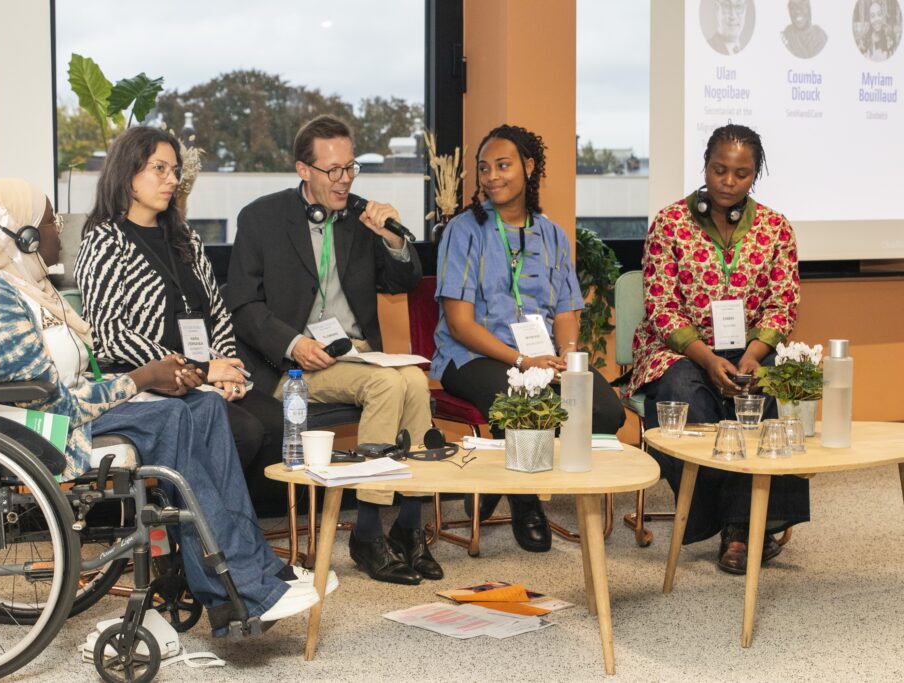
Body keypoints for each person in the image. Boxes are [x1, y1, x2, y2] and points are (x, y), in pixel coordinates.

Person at [0, 178, 332, 634]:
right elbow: (54, 402)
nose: (61, 230)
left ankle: (258, 569)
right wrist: (142, 378)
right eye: (50, 222)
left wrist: (157, 377)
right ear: (24, 237)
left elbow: (68, 381)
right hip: (37, 432)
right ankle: (236, 591)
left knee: (204, 405)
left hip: (52, 416)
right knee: (172, 415)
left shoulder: (22, 287)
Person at [226, 114, 440, 585]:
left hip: (354, 352)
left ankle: (408, 525)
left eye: (351, 168)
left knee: (412, 379)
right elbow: (242, 304)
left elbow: (402, 281)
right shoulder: (261, 218)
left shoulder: (361, 217)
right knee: (389, 381)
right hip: (292, 363)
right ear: (304, 170)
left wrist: (392, 238)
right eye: (334, 170)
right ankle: (367, 531)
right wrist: (294, 343)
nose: (344, 180)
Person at [431, 124, 626, 553]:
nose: (491, 177)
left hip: (542, 358)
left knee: (605, 411)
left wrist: (568, 357)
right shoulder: (463, 232)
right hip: (472, 357)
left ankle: (496, 478)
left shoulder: (551, 234)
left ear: (529, 167)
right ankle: (526, 504)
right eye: (484, 169)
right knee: (516, 405)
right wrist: (522, 362)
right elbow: (461, 324)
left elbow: (567, 309)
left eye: (503, 165)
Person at [626, 124, 808, 575]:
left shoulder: (775, 228)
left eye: (741, 173)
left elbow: (783, 303)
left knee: (759, 395)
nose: (728, 181)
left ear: (755, 175)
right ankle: (732, 518)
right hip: (679, 349)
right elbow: (661, 306)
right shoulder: (669, 223)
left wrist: (753, 355)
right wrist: (707, 358)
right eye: (719, 169)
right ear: (705, 166)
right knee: (685, 393)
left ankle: (741, 527)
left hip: (752, 349)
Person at [74, 126, 286, 512]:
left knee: (276, 422)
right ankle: (183, 541)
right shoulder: (105, 239)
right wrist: (203, 369)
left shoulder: (183, 235)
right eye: (160, 168)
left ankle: (234, 531)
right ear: (128, 172)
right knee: (244, 432)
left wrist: (228, 370)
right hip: (147, 382)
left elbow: (218, 311)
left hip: (203, 375)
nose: (172, 179)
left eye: (174, 170)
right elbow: (109, 334)